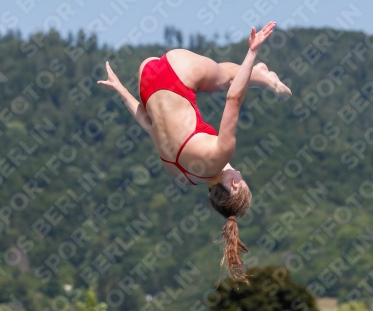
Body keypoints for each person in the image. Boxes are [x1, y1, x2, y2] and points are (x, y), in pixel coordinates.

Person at [98, 21, 291, 282]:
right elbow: (148, 124)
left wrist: (252, 51)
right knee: (222, 78)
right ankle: (261, 75)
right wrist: (122, 90)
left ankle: (266, 79)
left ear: (234, 183)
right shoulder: (181, 175)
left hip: (177, 72)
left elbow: (234, 99)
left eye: (241, 179)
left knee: (225, 78)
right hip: (146, 78)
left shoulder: (220, 153)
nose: (241, 172)